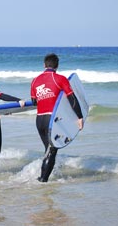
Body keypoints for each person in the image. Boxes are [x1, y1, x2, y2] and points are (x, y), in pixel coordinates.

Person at [30, 53, 83, 182]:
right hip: (51, 120)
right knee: (52, 150)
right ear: (57, 66)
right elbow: (72, 98)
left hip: (39, 120)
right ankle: (43, 180)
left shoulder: (35, 80)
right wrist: (79, 117)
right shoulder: (60, 79)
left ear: (44, 65)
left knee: (48, 149)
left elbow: (34, 101)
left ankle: (43, 177)